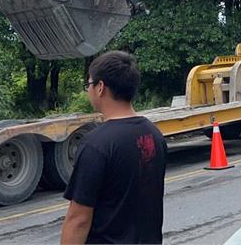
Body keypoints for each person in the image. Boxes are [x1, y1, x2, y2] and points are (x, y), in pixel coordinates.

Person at [60, 51, 167, 244]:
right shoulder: (155, 135)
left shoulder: (96, 144)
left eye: (89, 84)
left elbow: (79, 220)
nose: (88, 90)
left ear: (100, 87)